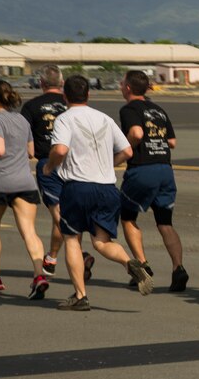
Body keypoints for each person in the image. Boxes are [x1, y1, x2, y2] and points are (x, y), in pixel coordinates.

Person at [43, 75, 152, 310]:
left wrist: (50, 165)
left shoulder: (64, 119)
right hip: (106, 188)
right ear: (88, 95)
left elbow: (60, 149)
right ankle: (129, 262)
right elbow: (127, 151)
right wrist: (109, 163)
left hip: (77, 187)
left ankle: (80, 296)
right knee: (102, 242)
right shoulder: (105, 118)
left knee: (72, 239)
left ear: (65, 96)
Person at [0, 80, 48, 298]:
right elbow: (31, 152)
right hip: (24, 181)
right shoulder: (22, 120)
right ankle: (38, 274)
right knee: (29, 231)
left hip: (0, 181)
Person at [118, 70, 187, 292]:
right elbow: (172, 141)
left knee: (128, 217)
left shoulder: (129, 109)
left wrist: (125, 147)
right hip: (165, 169)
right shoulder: (157, 109)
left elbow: (137, 133)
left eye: (122, 83)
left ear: (128, 88)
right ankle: (178, 268)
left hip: (142, 169)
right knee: (165, 222)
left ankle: (142, 266)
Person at [21, 64, 74, 278]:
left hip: (48, 162)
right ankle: (52, 257)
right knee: (63, 215)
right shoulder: (71, 104)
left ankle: (78, 253)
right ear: (61, 83)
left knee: (59, 215)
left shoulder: (32, 106)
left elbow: (27, 142)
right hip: (74, 162)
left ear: (41, 83)